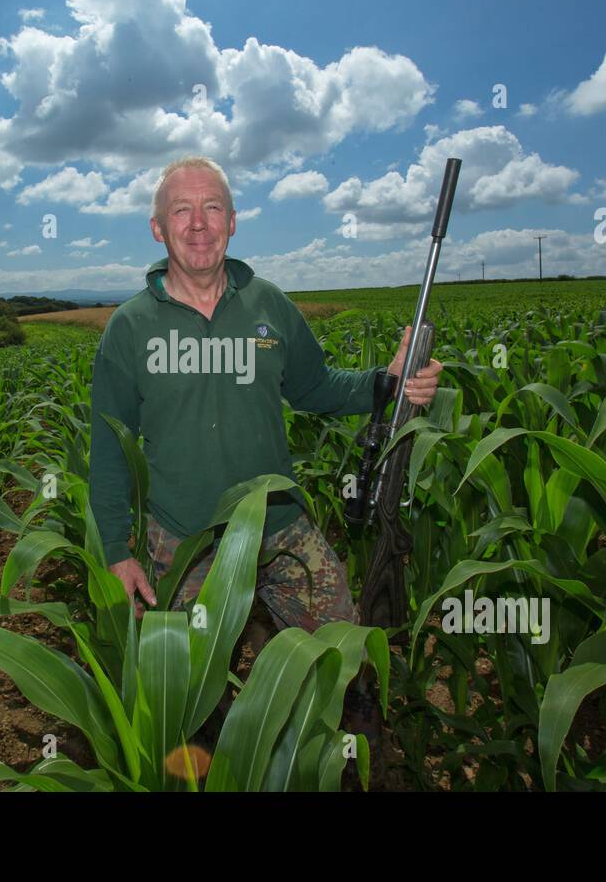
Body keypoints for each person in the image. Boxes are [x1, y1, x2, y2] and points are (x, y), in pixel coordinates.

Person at [87, 155, 442, 753]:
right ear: (158, 228)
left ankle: (349, 763)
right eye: (182, 210)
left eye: (212, 208)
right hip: (184, 542)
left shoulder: (269, 306)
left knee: (345, 661)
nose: (198, 223)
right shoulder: (130, 328)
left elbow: (315, 387)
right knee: (193, 696)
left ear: (232, 223)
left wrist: (387, 381)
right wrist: (117, 551)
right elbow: (109, 448)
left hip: (281, 529)